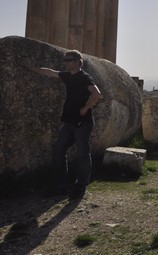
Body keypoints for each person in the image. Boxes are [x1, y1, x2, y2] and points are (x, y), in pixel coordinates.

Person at [26, 50, 103, 199]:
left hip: (82, 123)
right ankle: (60, 187)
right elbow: (50, 72)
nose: (65, 62)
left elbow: (97, 94)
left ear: (77, 62)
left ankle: (80, 188)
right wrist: (31, 68)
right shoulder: (68, 76)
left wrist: (85, 108)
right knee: (58, 151)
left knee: (82, 155)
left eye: (68, 60)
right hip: (68, 123)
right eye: (65, 60)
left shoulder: (84, 77)